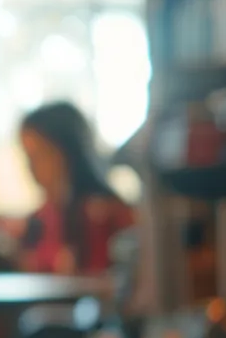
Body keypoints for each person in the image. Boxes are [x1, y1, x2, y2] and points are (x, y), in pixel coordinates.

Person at [14, 102, 135, 275]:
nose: (31, 167)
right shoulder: (39, 219)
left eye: (39, 155)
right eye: (27, 157)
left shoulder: (108, 214)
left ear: (67, 152)